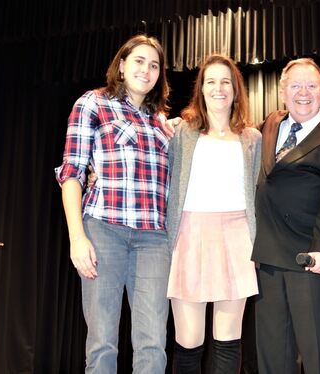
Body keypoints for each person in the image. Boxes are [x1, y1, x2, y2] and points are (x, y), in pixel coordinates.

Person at [54, 34, 172, 373]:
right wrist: (77, 238)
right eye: (138, 61)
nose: (146, 70)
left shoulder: (163, 123)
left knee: (152, 342)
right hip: (103, 230)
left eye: (154, 65)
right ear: (121, 65)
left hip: (155, 238)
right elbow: (73, 173)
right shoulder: (93, 103)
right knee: (103, 341)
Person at [251, 58, 320, 374]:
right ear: (282, 91)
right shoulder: (270, 123)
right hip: (267, 258)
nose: (303, 93)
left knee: (317, 356)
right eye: (295, 85)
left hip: (310, 258)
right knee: (272, 357)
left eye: (312, 86)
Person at [167, 54, 261, 373]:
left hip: (237, 238)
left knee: (228, 340)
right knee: (189, 341)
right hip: (189, 236)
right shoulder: (180, 131)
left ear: (235, 89)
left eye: (225, 82)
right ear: (201, 89)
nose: (218, 88)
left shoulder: (252, 138)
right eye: (211, 81)